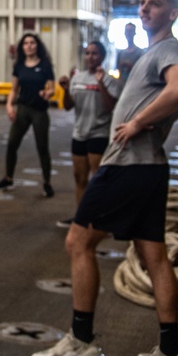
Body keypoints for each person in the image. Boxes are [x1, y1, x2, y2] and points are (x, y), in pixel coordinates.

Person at [31, 0, 178, 356]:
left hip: (127, 167)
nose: (145, 9)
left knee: (78, 241)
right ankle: (169, 353)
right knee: (154, 255)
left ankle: (82, 342)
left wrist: (138, 122)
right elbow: (171, 100)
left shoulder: (169, 49)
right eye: (142, 3)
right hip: (148, 167)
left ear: (172, 13)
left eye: (155, 4)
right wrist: (152, 125)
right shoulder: (148, 54)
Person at [54, 41, 120, 228]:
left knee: (97, 179)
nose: (90, 57)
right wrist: (65, 90)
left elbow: (111, 107)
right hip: (79, 134)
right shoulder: (78, 78)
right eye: (87, 53)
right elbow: (68, 106)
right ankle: (81, 218)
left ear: (102, 57)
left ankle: (100, 218)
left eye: (95, 53)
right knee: (80, 179)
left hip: (98, 133)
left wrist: (101, 84)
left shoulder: (109, 80)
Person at [0, 33, 56, 197]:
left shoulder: (45, 66)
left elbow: (52, 88)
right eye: (26, 43)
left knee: (42, 147)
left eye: (32, 43)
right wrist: (8, 106)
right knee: (12, 143)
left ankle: (47, 183)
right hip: (23, 109)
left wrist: (46, 93)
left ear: (37, 46)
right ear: (22, 47)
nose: (29, 46)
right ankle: (8, 178)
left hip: (39, 111)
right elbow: (14, 89)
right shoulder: (19, 66)